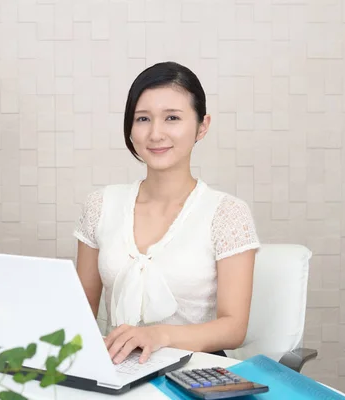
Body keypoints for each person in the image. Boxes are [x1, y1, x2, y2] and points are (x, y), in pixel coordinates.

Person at [72, 61, 261, 366]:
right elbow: (77, 314)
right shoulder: (100, 205)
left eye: (172, 118)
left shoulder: (227, 214)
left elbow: (233, 327)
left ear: (202, 125)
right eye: (143, 118)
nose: (155, 133)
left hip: (195, 372)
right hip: (119, 369)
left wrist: (159, 335)